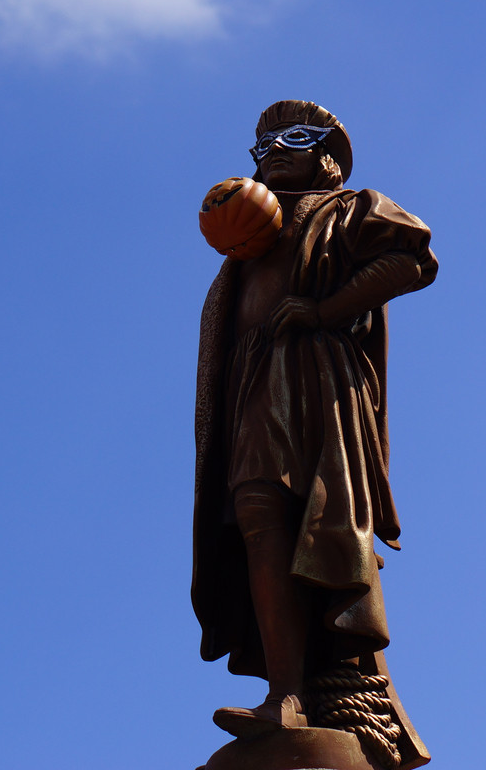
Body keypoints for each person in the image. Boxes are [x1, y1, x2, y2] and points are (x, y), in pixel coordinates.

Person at [192, 100, 438, 742]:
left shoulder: (350, 208)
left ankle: (324, 686)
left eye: (295, 138)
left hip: (318, 376)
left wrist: (327, 309)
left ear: (327, 155)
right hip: (254, 383)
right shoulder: (247, 243)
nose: (275, 149)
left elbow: (411, 261)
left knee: (320, 518)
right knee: (256, 517)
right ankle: (285, 695)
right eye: (264, 144)